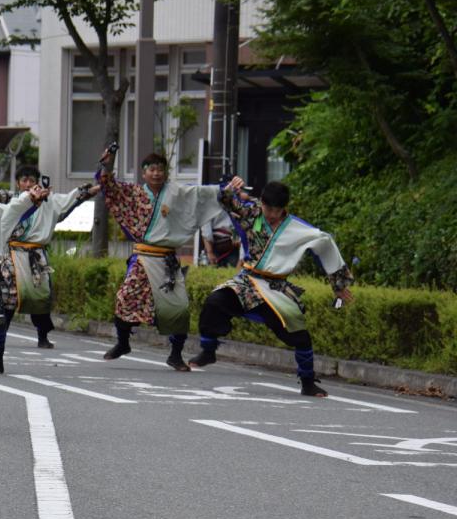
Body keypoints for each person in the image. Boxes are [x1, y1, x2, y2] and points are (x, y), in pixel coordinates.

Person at [190, 178, 354, 397]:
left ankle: (308, 381)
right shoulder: (252, 214)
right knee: (215, 301)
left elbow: (325, 243)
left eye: (277, 210)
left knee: (298, 334)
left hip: (276, 288)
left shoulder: (297, 228)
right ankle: (208, 350)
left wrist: (338, 285)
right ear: (262, 203)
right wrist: (229, 189)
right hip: (248, 282)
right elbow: (226, 201)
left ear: (284, 208)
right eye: (268, 209)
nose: (272, 215)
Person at [97, 149, 227, 370]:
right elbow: (109, 185)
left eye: (160, 169)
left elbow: (201, 193)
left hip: (167, 261)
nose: (156, 173)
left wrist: (226, 189)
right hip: (143, 259)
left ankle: (175, 355)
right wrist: (107, 164)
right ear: (144, 173)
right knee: (125, 299)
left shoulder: (176, 193)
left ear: (166, 172)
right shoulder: (134, 193)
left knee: (179, 308)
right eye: (152, 169)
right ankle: (123, 342)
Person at [5, 165, 95, 349]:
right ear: (18, 183)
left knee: (41, 297)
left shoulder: (49, 201)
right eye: (24, 180)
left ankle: (42, 336)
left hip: (36, 256)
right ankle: (0, 335)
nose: (28, 184)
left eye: (31, 180)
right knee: (9, 296)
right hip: (13, 255)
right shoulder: (11, 201)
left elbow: (70, 198)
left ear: (37, 182)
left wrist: (87, 191)